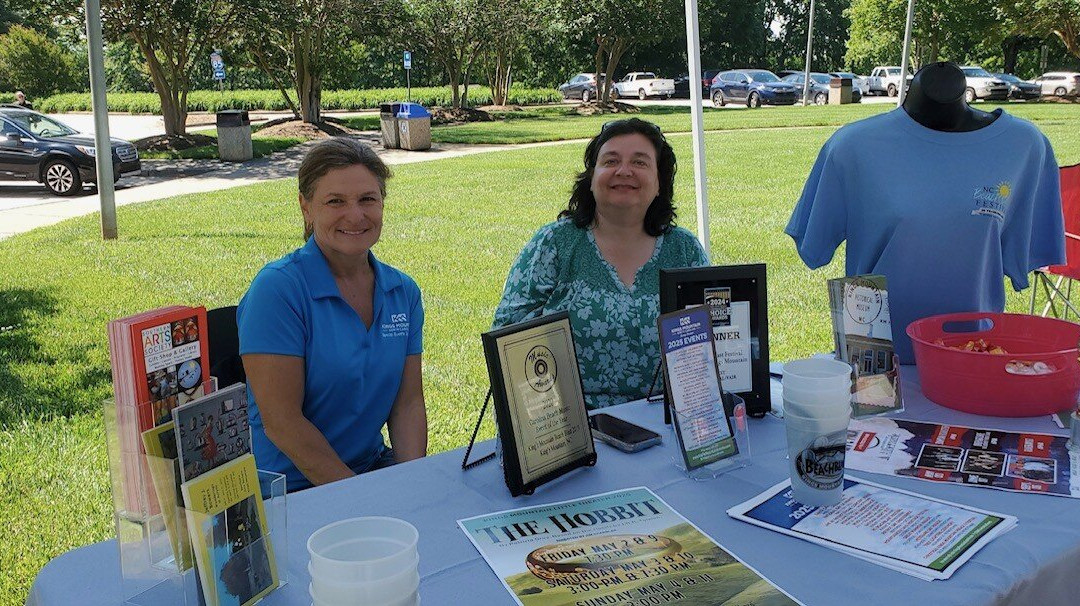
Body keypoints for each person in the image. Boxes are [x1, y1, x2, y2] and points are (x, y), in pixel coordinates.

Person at [238, 137, 426, 491]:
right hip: (290, 490)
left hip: (370, 468)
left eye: (367, 199)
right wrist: (360, 498)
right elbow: (282, 423)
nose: (355, 215)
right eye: (335, 201)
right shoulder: (277, 291)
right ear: (306, 207)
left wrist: (413, 484)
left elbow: (408, 404)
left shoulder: (403, 292)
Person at [493, 118, 709, 409]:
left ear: (659, 182)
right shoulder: (554, 244)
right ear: (592, 179)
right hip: (570, 423)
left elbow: (714, 340)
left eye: (640, 162)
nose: (624, 171)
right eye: (611, 161)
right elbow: (507, 339)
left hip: (667, 419)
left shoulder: (684, 250)